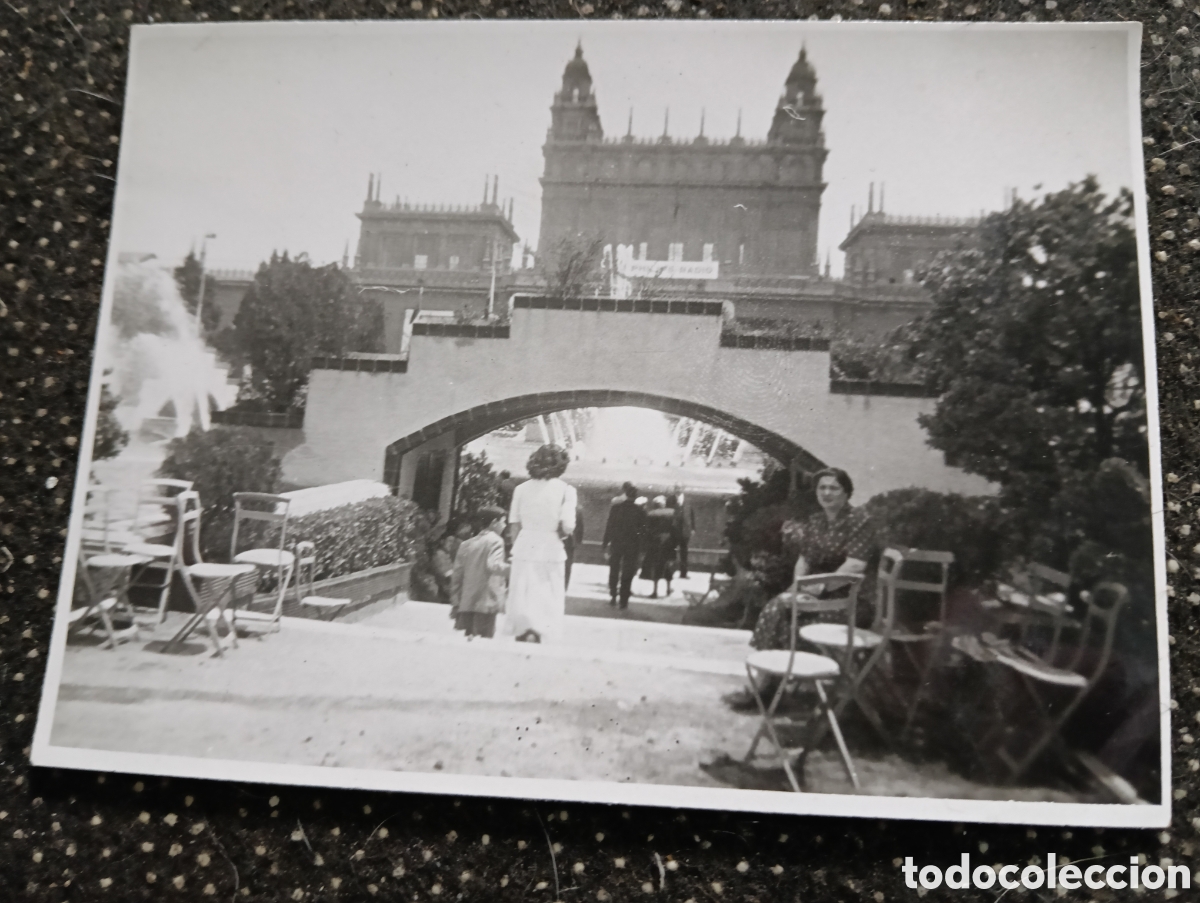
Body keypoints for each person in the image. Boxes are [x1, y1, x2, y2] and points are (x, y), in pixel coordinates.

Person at [724, 467, 876, 711]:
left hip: (850, 600)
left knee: (783, 613)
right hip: (816, 595)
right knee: (782, 607)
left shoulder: (859, 521)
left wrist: (817, 588)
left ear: (847, 493)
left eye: (834, 488)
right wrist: (797, 588)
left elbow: (855, 566)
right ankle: (771, 687)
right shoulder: (816, 521)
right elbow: (804, 560)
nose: (826, 492)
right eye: (821, 487)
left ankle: (767, 688)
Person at [506, 444, 577, 644]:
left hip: (524, 545)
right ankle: (541, 632)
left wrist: (514, 548)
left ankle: (522, 629)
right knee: (546, 593)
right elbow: (569, 526)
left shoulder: (520, 489)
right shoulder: (566, 491)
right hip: (551, 547)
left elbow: (514, 525)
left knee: (523, 591)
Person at [450, 506, 510, 639]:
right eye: (503, 521)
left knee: (470, 638)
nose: (504, 525)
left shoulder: (466, 544)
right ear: (494, 522)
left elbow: (457, 575)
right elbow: (494, 565)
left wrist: (455, 601)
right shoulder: (496, 540)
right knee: (484, 639)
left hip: (468, 601)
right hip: (487, 601)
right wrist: (514, 568)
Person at [603, 482, 646, 609]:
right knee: (628, 571)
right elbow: (643, 532)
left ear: (626, 494)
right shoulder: (640, 511)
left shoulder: (616, 508)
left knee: (614, 569)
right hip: (632, 545)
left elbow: (609, 527)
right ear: (636, 496)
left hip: (617, 543)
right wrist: (642, 549)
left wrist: (605, 543)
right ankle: (624, 599)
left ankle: (613, 595)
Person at [640, 496, 679, 599]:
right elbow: (676, 529)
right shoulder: (673, 513)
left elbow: (647, 531)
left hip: (656, 544)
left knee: (657, 566)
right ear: (664, 504)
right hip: (669, 543)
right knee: (668, 566)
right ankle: (668, 588)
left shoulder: (651, 514)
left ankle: (655, 591)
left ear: (655, 504)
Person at [667, 483, 697, 578]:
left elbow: (691, 515)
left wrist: (693, 528)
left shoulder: (688, 500)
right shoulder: (670, 499)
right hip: (673, 530)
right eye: (676, 488)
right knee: (671, 552)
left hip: (685, 530)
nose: (678, 490)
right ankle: (670, 573)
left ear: (683, 489)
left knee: (684, 552)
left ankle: (683, 573)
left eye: (679, 488)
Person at [563, 505, 584, 589]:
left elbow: (580, 526)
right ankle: (564, 586)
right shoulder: (577, 509)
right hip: (569, 541)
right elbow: (580, 527)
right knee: (567, 564)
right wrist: (578, 541)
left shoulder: (577, 509)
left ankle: (564, 586)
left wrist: (578, 541)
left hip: (569, 542)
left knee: (567, 564)